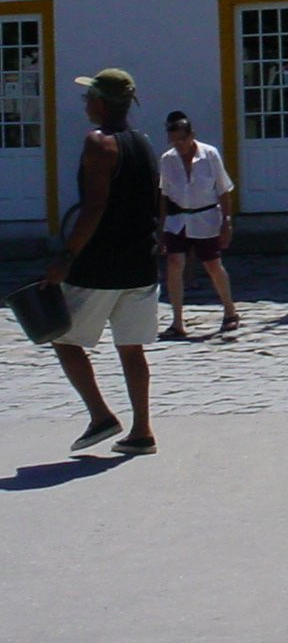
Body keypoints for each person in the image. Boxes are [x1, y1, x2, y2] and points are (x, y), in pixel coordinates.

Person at [42, 68, 160, 456]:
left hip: (100, 265)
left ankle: (100, 415)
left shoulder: (98, 143)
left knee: (63, 337)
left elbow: (94, 207)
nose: (85, 105)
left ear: (100, 102)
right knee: (131, 347)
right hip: (141, 262)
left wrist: (67, 256)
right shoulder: (143, 144)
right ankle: (142, 430)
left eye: (88, 98)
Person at [157, 111, 239, 339]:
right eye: (174, 141)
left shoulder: (209, 154)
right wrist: (162, 228)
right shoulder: (167, 159)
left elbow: (223, 190)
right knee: (174, 264)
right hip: (178, 218)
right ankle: (177, 321)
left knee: (212, 264)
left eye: (182, 140)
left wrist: (226, 222)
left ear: (192, 135)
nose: (179, 145)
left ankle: (230, 310)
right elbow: (164, 194)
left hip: (206, 217)